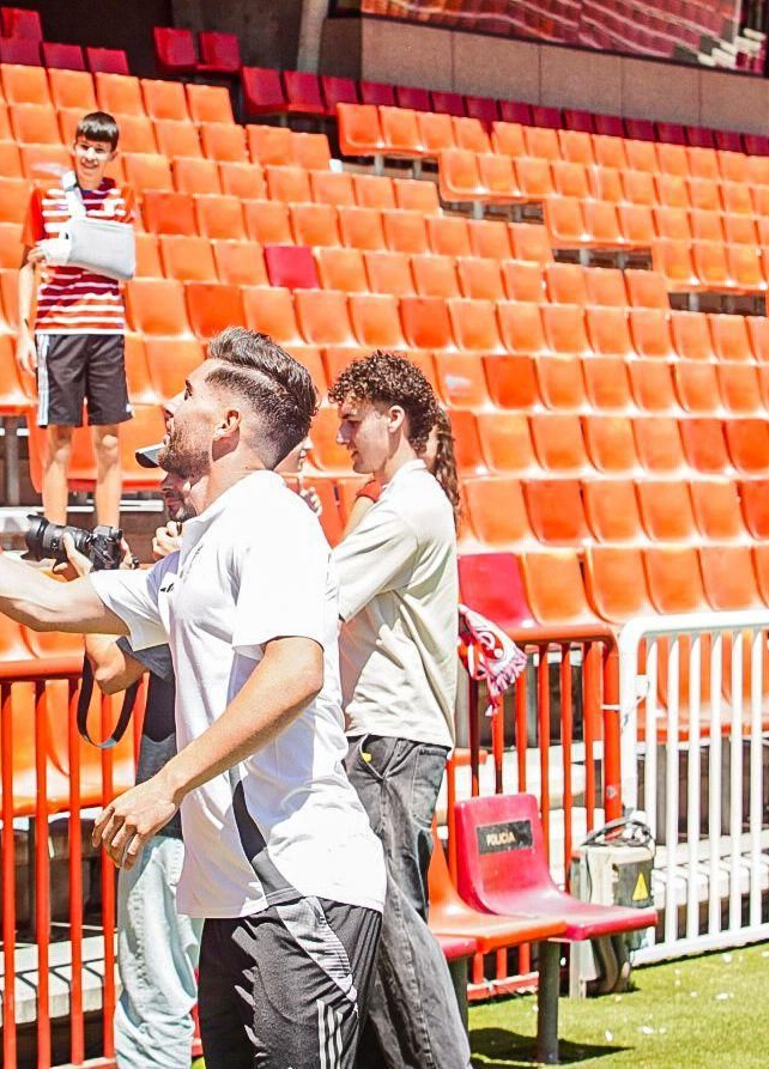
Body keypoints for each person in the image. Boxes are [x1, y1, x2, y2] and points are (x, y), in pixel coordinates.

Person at [0, 327, 385, 1068]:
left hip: (299, 887)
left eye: (187, 394)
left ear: (228, 425)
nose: (166, 405)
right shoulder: (200, 547)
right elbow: (45, 604)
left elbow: (296, 672)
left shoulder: (273, 521)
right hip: (234, 900)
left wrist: (166, 784)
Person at [330, 351, 469, 1069]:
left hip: (389, 736)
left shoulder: (408, 506)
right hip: (393, 735)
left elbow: (323, 592)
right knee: (384, 928)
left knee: (394, 932)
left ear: (395, 419)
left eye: (353, 422)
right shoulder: (412, 502)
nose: (343, 438)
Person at [79, 450, 205, 1069]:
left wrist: (92, 586)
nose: (166, 487)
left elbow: (109, 669)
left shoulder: (193, 574)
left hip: (175, 817)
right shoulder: (260, 554)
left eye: (180, 474)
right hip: (236, 813)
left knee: (155, 1006)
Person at [17, 111, 136, 529]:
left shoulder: (121, 199)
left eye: (98, 150)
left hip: (106, 329)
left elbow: (121, 263)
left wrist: (66, 251)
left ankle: (108, 537)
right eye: (84, 146)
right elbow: (27, 263)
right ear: (73, 146)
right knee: (59, 439)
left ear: (111, 154)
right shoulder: (45, 196)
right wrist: (23, 331)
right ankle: (54, 538)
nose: (89, 155)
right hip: (58, 328)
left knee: (108, 442)